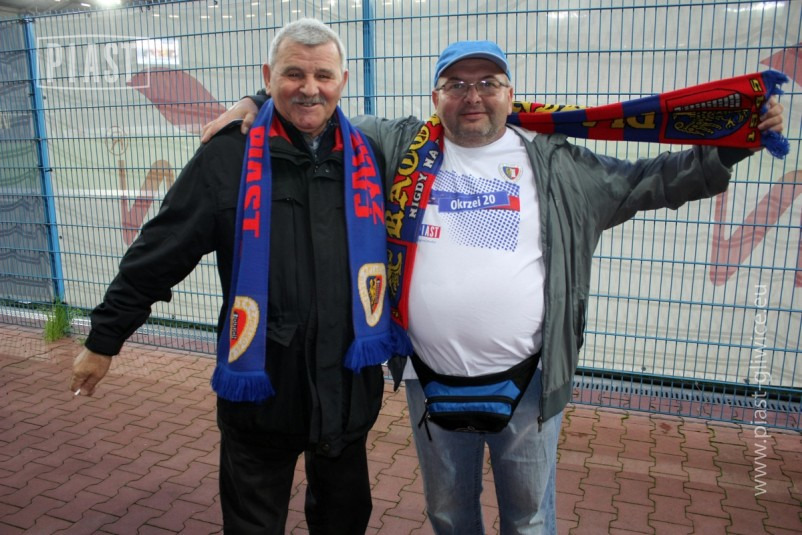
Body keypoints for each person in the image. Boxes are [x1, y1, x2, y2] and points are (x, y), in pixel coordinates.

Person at [202, 41, 786, 535]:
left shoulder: (557, 164)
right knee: (448, 515)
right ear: (436, 97)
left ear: (510, 93)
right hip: (430, 382)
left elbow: (650, 182)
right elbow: (318, 107)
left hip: (528, 384)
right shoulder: (400, 147)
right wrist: (256, 100)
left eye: (488, 83)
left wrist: (731, 142)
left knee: (528, 519)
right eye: (456, 84)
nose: (472, 96)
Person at [70, 18, 396, 535]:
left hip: (346, 390)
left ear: (343, 81)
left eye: (323, 76)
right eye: (293, 74)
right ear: (268, 77)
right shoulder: (228, 157)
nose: (310, 89)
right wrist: (105, 337)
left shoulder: (367, 158)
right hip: (261, 388)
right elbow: (160, 251)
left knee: (344, 519)